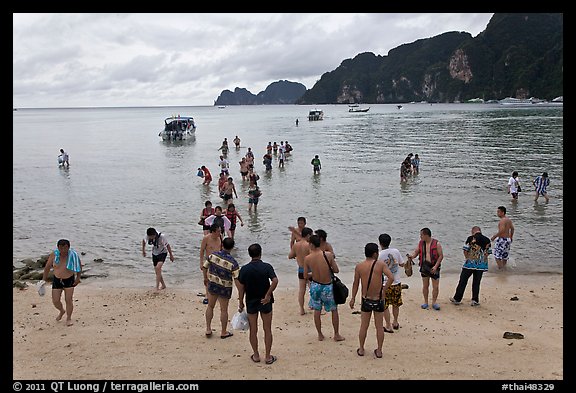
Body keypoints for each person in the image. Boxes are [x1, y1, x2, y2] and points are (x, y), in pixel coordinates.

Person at [349, 243, 394, 358]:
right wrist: (384, 290)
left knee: (364, 325)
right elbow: (391, 277)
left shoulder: (359, 266)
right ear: (375, 254)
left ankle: (362, 349)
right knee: (379, 326)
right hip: (378, 299)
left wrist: (353, 298)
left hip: (366, 299)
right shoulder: (380, 265)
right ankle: (379, 350)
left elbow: (355, 284)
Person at [237, 243, 279, 365]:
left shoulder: (244, 269)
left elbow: (241, 288)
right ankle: (267, 356)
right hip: (264, 301)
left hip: (251, 301)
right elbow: (275, 280)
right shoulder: (267, 267)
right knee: (267, 329)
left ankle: (256, 355)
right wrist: (268, 295)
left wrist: (240, 302)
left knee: (253, 330)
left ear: (249, 254)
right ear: (260, 253)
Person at [303, 234, 345, 342]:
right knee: (334, 310)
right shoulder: (328, 255)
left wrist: (314, 273)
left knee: (317, 310)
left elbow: (305, 276)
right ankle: (336, 334)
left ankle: (320, 334)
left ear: (311, 244)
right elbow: (336, 270)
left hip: (316, 286)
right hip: (328, 286)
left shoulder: (307, 258)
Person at [202, 237, 241, 338]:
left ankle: (208, 329)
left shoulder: (212, 256)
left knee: (210, 306)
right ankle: (223, 332)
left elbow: (204, 267)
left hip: (213, 285)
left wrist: (205, 278)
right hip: (225, 288)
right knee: (224, 310)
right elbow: (237, 279)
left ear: (222, 245)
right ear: (232, 248)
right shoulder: (233, 263)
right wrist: (241, 295)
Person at [42, 239, 82, 326]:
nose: (63, 250)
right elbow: (47, 267)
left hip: (69, 279)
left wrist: (78, 278)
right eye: (61, 248)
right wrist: (43, 280)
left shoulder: (73, 255)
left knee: (68, 300)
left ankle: (68, 318)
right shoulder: (54, 255)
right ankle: (61, 311)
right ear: (58, 248)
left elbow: (79, 267)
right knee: (55, 301)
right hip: (57, 279)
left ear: (68, 247)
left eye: (65, 248)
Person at [450, 226, 492, 307]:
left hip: (470, 264)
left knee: (463, 281)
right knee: (476, 282)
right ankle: (475, 300)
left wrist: (467, 258)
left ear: (473, 231)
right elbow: (488, 252)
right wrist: (483, 259)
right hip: (481, 265)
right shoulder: (487, 240)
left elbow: (465, 249)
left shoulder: (471, 238)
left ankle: (457, 298)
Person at [406, 227, 444, 310]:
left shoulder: (437, 244)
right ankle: (426, 302)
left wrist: (435, 266)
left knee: (435, 286)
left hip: (434, 266)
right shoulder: (421, 243)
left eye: (421, 235)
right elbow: (416, 252)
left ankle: (434, 302)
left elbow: (441, 256)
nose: (420, 237)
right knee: (425, 285)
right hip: (424, 266)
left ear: (426, 235)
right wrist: (411, 256)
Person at [377, 233, 405, 333]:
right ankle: (396, 322)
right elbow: (402, 264)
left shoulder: (379, 255)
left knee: (385, 306)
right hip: (396, 282)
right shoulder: (396, 251)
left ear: (380, 243)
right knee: (396, 304)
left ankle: (388, 325)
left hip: (385, 284)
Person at [288, 227, 313, 315]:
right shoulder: (308, 245)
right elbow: (313, 256)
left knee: (302, 290)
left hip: (301, 269)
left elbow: (290, 256)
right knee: (313, 289)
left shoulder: (296, 245)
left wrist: (297, 255)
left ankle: (302, 309)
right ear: (308, 235)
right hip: (310, 270)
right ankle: (314, 306)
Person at [200, 223, 223, 304]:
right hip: (209, 261)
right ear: (213, 232)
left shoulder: (220, 237)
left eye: (220, 231)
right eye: (218, 231)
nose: (220, 233)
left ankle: (216, 293)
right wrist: (201, 262)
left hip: (218, 261)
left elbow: (222, 249)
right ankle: (207, 295)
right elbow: (202, 250)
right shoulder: (206, 238)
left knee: (218, 278)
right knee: (207, 278)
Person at [490, 206, 515, 270]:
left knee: (497, 256)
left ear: (503, 213)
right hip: (507, 240)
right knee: (504, 255)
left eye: (498, 212)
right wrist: (511, 237)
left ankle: (501, 268)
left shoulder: (502, 221)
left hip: (502, 239)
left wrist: (494, 236)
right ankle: (504, 267)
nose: (497, 213)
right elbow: (512, 229)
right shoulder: (508, 220)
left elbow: (502, 230)